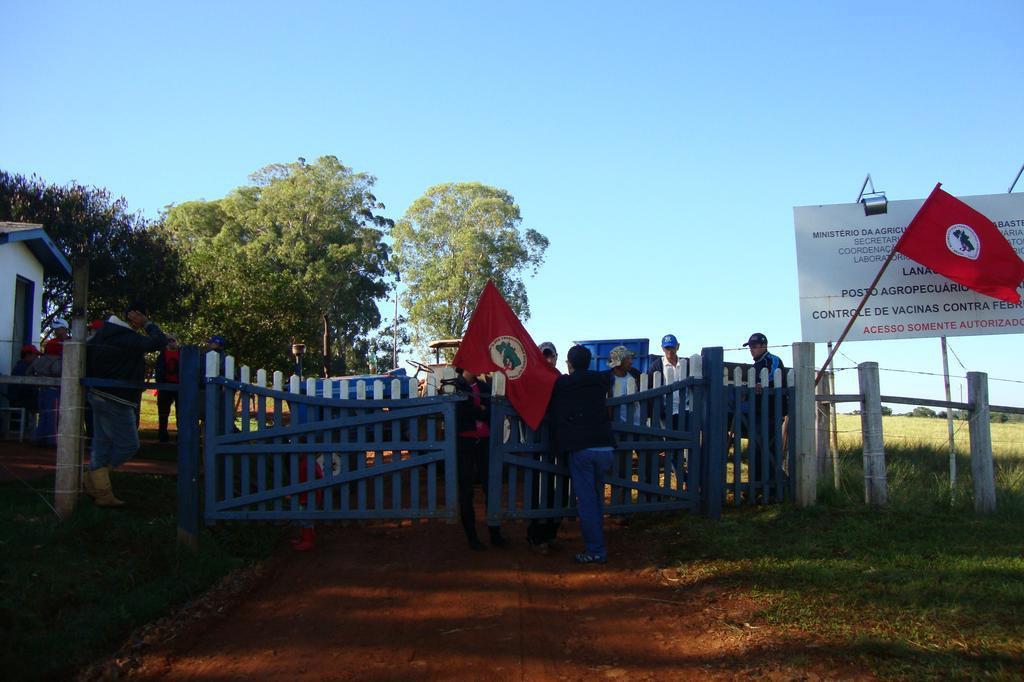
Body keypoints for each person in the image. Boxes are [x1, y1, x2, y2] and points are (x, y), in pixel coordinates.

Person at [83, 301, 167, 506]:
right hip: (117, 397)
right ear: (134, 316)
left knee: (101, 443)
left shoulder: (101, 334)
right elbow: (159, 342)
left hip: (96, 393)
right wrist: (148, 324)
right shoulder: (126, 336)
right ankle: (94, 477)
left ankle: (101, 493)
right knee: (129, 444)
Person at [547, 345, 616, 564]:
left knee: (587, 503)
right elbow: (611, 377)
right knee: (596, 499)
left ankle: (596, 550)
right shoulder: (600, 380)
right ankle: (598, 544)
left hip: (582, 449)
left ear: (569, 363)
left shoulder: (564, 383)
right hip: (605, 447)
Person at [453, 368, 504, 550]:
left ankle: (495, 534)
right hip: (464, 443)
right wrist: (479, 409)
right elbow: (460, 413)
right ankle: (472, 537)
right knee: (466, 490)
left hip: (484, 441)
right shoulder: (455, 385)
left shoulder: (484, 386)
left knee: (490, 486)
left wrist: (476, 409)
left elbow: (490, 411)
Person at [527, 341, 566, 553]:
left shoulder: (559, 377)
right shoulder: (530, 377)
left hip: (556, 441)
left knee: (556, 488)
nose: (550, 359)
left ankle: (551, 533)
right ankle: (536, 535)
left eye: (552, 355)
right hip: (535, 442)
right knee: (537, 489)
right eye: (545, 355)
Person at [743, 332, 788, 493]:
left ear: (764, 346)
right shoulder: (755, 366)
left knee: (768, 448)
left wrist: (760, 385)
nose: (751, 350)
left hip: (771, 411)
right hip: (758, 412)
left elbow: (771, 377)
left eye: (754, 346)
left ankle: (771, 485)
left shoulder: (772, 360)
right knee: (756, 449)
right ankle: (757, 485)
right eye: (750, 347)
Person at [648, 333, 687, 429]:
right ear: (662, 348)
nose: (669, 351)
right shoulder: (656, 366)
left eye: (672, 347)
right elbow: (649, 388)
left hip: (685, 410)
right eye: (667, 348)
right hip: (665, 411)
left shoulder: (686, 364)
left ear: (677, 347)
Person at [9, 345, 41, 435]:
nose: (37, 357)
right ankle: (37, 433)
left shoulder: (21, 366)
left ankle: (35, 432)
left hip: (19, 399)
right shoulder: (24, 368)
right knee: (45, 403)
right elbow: (25, 389)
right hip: (21, 400)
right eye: (35, 355)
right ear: (28, 355)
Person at [155, 334, 181, 442]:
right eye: (169, 340)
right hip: (165, 385)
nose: (171, 342)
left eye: (173, 340)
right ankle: (162, 434)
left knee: (180, 412)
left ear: (177, 341)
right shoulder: (162, 355)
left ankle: (181, 434)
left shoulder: (182, 354)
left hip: (180, 386)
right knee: (163, 412)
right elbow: (158, 370)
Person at [608, 345, 641, 424]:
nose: (631, 362)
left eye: (631, 358)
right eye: (627, 359)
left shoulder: (635, 375)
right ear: (619, 362)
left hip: (638, 425)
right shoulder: (608, 380)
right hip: (619, 428)